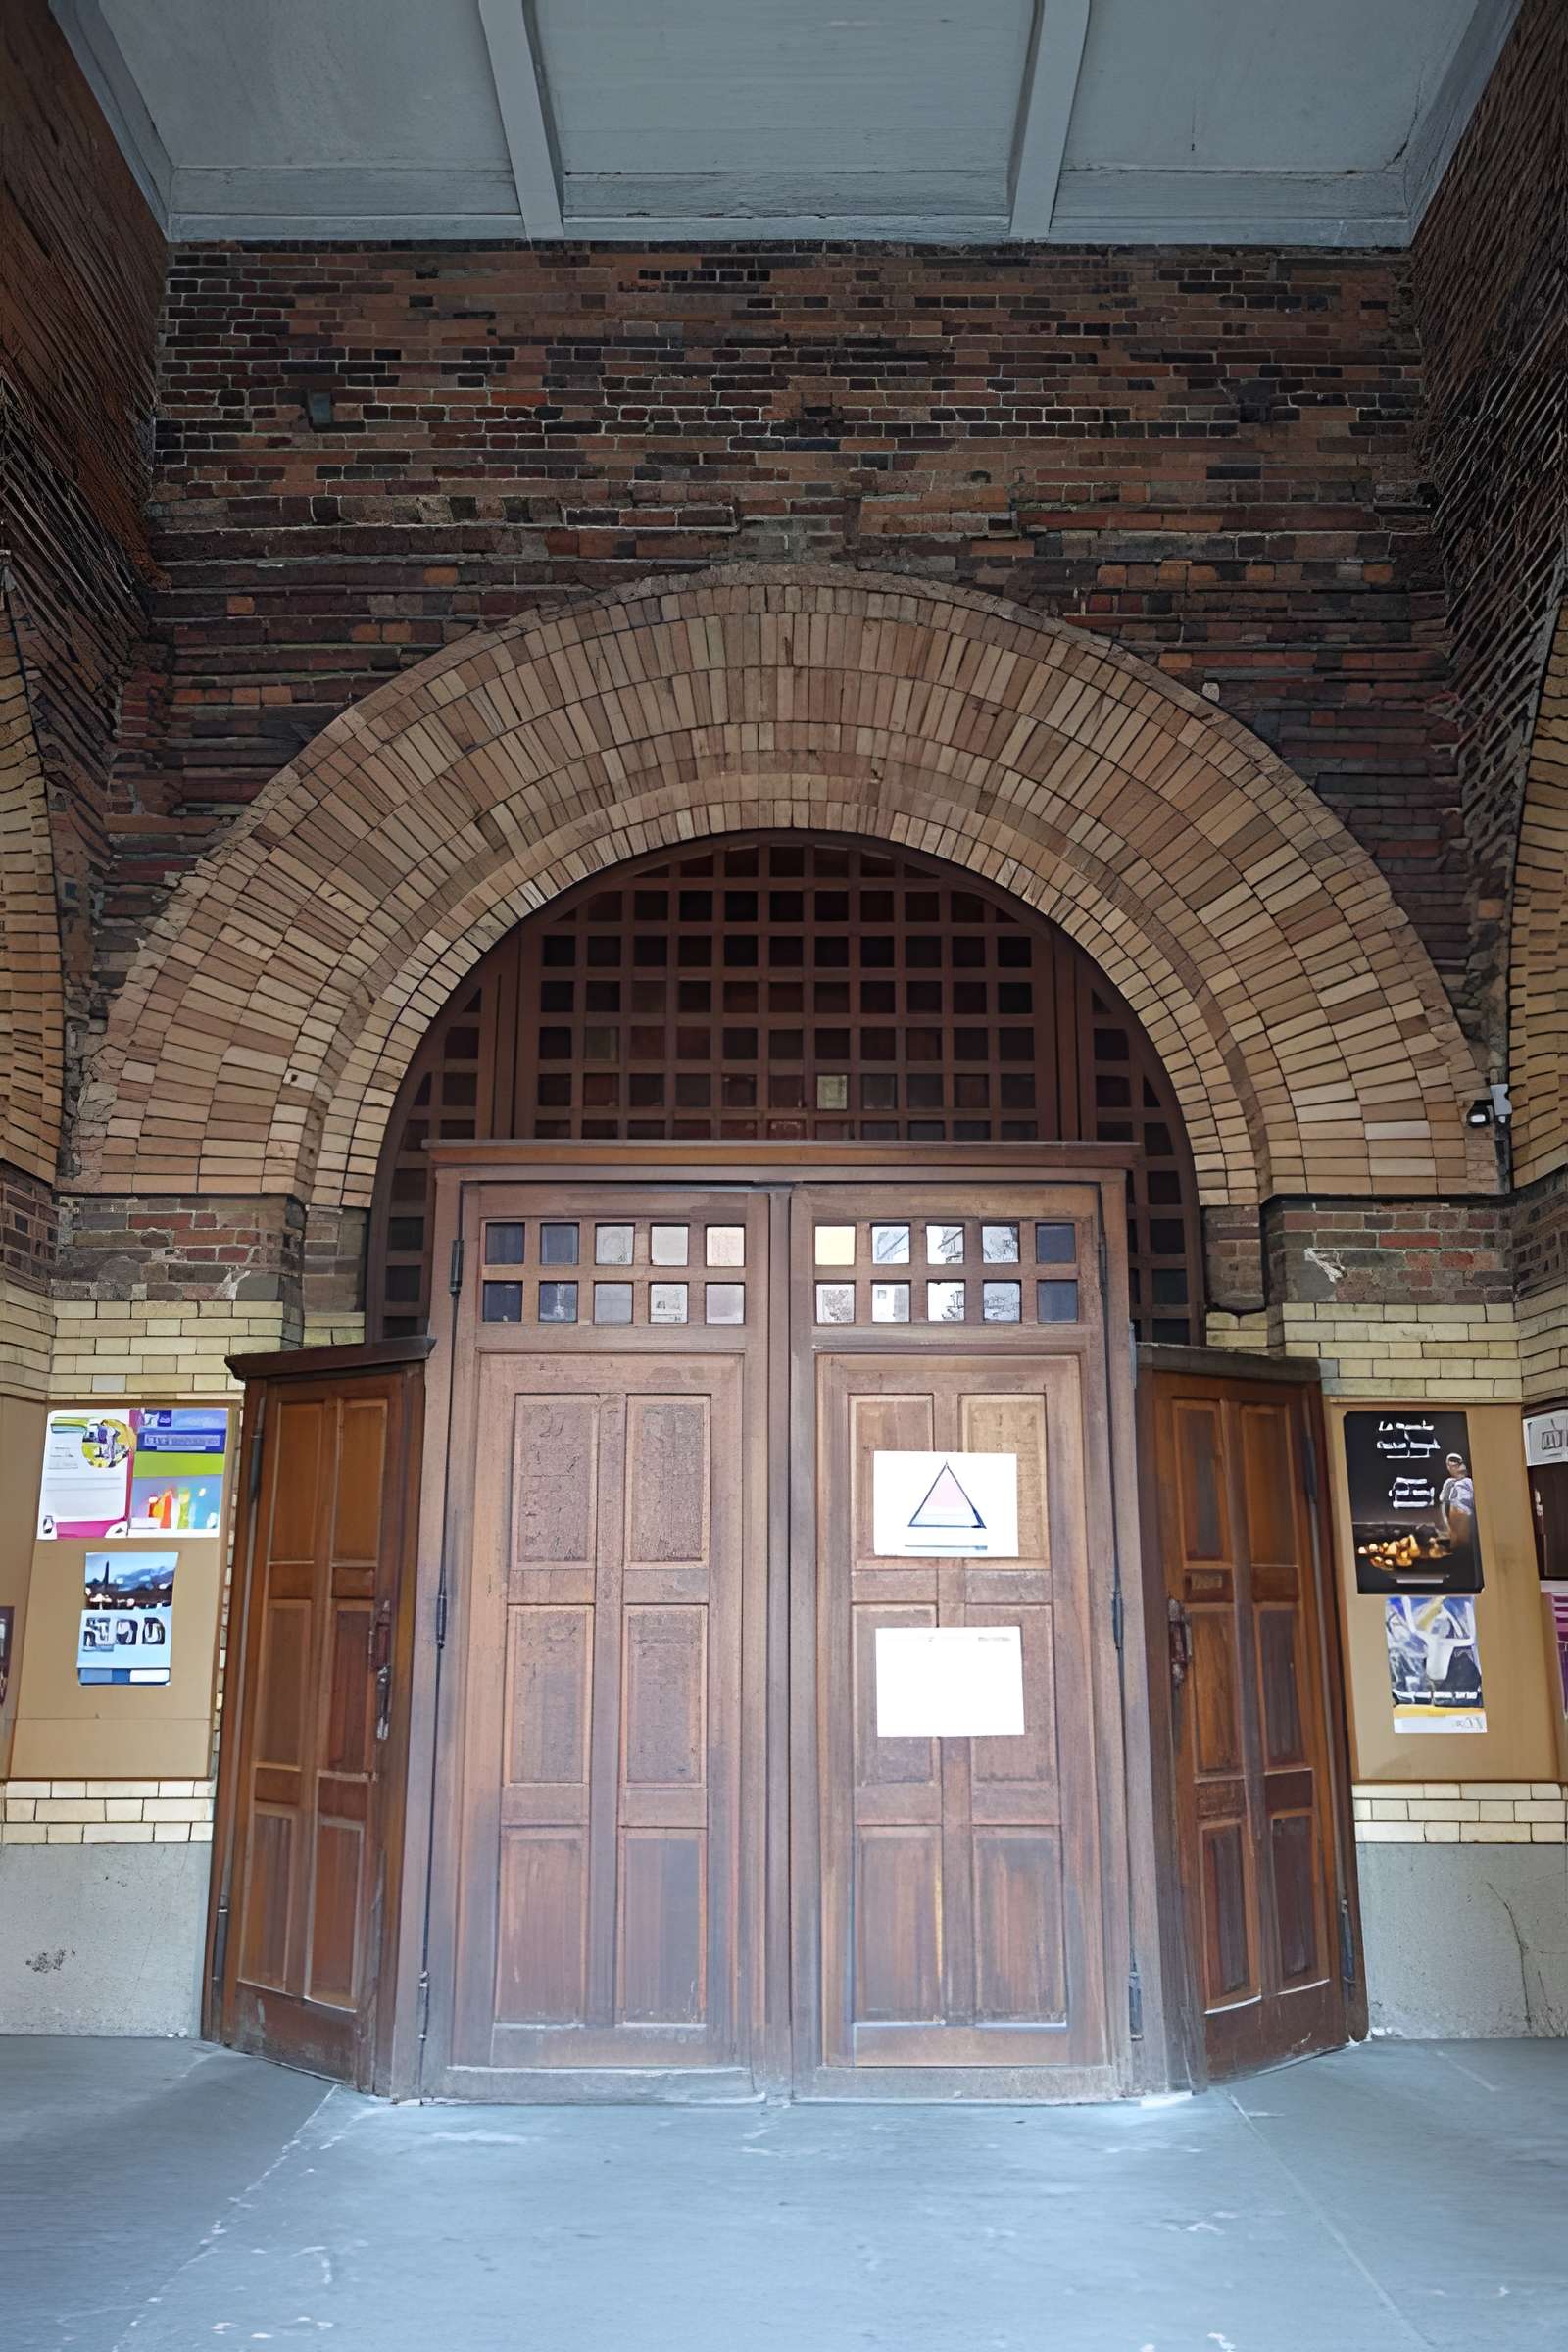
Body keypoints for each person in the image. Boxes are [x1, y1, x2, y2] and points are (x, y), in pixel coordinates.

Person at [1440, 1452, 1475, 1551]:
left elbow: (1465, 1511)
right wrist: (1449, 1526)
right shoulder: (1448, 1483)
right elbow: (1444, 1504)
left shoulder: (1467, 1483)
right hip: (1452, 1525)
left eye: (1456, 1465)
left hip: (1464, 1526)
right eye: (1451, 1466)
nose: (1453, 1468)